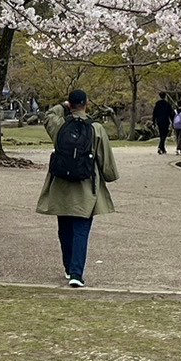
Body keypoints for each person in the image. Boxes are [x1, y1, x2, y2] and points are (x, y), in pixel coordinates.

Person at [37, 90, 118, 288]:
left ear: (70, 104)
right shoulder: (96, 129)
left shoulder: (60, 126)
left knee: (64, 229)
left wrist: (63, 105)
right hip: (85, 187)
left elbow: (48, 115)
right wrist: (109, 177)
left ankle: (67, 267)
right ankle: (76, 273)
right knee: (81, 229)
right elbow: (106, 163)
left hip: (61, 185)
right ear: (86, 104)